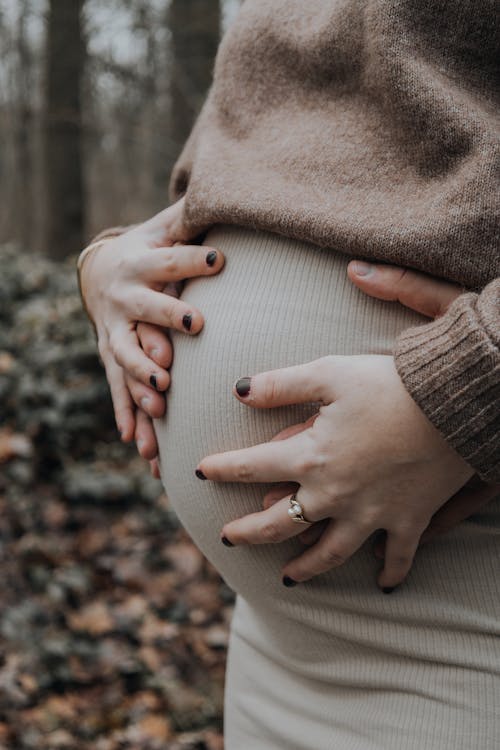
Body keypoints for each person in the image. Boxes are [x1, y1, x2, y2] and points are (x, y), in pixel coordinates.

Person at [78, 1, 500, 748]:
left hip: (458, 634)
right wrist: (112, 263)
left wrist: (465, 382)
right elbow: (264, 157)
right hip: (278, 641)